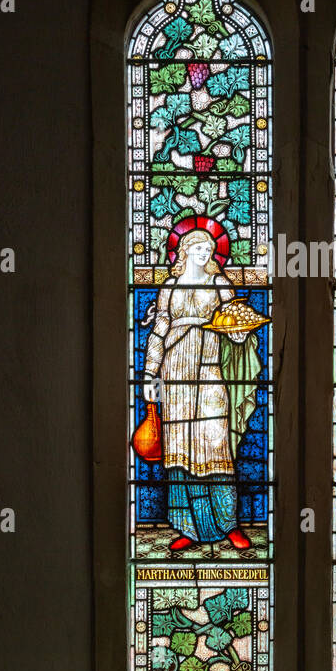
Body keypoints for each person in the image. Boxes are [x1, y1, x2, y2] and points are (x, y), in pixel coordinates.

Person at [143, 228, 261, 551]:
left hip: (209, 370)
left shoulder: (219, 284)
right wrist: (150, 375)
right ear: (183, 252)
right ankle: (187, 527)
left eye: (208, 249)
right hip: (175, 373)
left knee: (214, 444)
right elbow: (159, 332)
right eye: (197, 248)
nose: (204, 254)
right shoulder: (170, 288)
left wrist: (238, 337)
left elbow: (236, 322)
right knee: (180, 451)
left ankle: (228, 524)